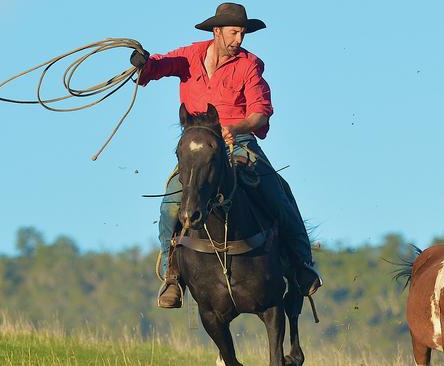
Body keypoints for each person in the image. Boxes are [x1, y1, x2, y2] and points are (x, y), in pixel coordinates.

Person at [130, 2, 322, 308]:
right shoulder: (190, 56)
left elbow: (260, 113)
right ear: (217, 31)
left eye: (242, 33)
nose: (239, 40)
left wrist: (236, 126)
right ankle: (172, 277)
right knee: (169, 205)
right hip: (198, 144)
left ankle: (302, 265)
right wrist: (142, 63)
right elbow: (158, 66)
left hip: (238, 140)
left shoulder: (250, 65)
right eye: (234, 32)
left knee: (277, 195)